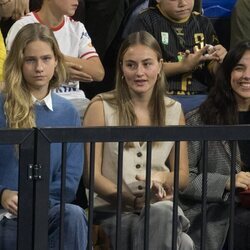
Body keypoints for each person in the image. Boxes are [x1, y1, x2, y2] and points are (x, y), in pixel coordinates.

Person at [83, 31, 194, 249]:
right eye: (131, 65)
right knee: (184, 243)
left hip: (159, 208)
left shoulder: (174, 110)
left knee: (163, 213)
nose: (139, 73)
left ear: (160, 65)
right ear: (121, 68)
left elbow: (182, 176)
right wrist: (130, 200)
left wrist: (163, 178)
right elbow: (91, 177)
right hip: (112, 213)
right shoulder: (100, 107)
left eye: (147, 64)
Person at [0, 23, 87, 250]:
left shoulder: (68, 113)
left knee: (74, 216)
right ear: (19, 62)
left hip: (48, 208)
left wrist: (34, 201)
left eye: (46, 59)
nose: (39, 67)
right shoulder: (1, 107)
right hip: (3, 212)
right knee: (10, 237)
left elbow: (69, 180)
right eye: (31, 60)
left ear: (57, 61)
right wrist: (2, 193)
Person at [179, 40, 250, 249]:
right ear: (227, 74)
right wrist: (227, 182)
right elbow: (183, 181)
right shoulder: (199, 119)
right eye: (239, 68)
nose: (247, 76)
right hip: (219, 211)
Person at [6, 0, 105, 116]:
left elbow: (98, 73)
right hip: (35, 100)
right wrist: (56, 69)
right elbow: (12, 71)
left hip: (76, 100)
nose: (77, 1)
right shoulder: (22, 26)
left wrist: (57, 60)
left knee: (100, 112)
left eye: (47, 58)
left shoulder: (77, 28)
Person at [129, 0, 227, 113]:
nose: (183, 3)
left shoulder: (203, 23)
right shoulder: (146, 20)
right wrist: (183, 66)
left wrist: (221, 60)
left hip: (201, 98)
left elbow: (213, 68)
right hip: (159, 98)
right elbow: (140, 68)